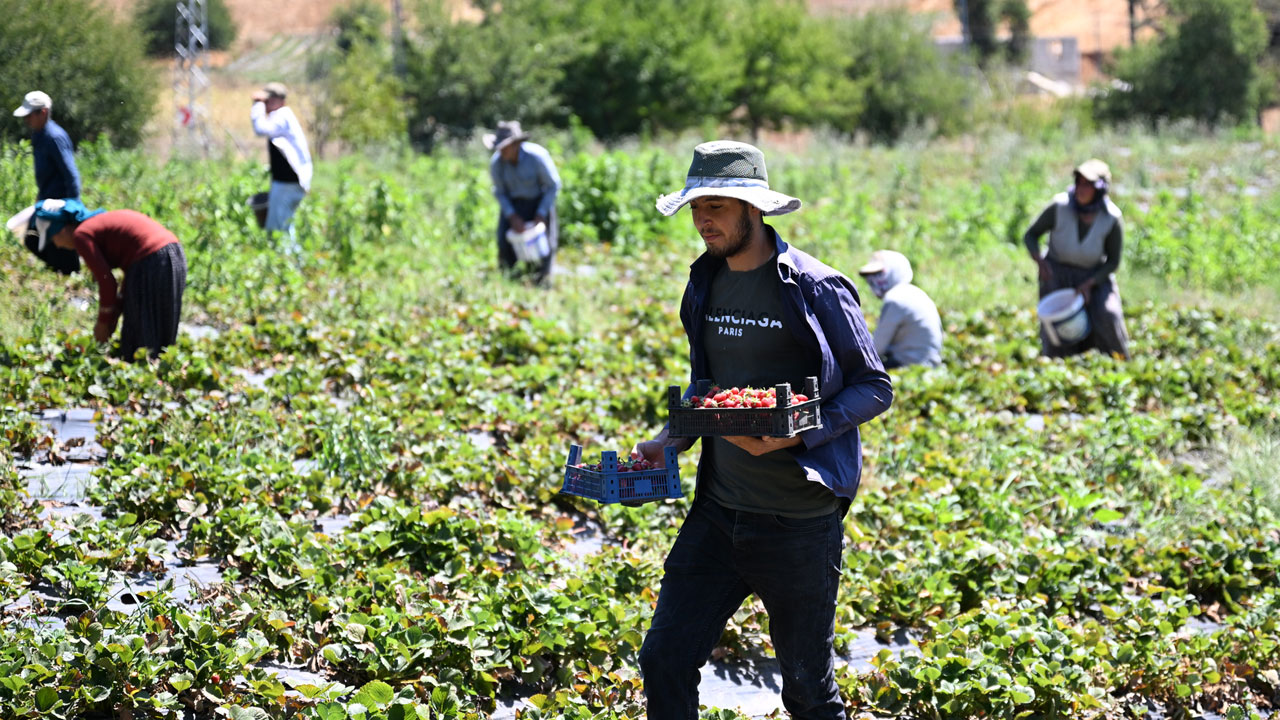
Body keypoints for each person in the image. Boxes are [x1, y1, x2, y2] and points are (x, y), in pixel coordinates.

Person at [632, 141, 893, 719]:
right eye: (697, 208)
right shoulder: (703, 284)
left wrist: (796, 434)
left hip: (798, 522)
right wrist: (668, 442)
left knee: (806, 689)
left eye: (717, 207)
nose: (703, 221)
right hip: (719, 512)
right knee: (664, 657)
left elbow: (874, 386)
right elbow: (709, 389)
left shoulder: (816, 287)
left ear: (755, 208)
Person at [33, 199, 187, 360]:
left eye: (53, 239)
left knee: (138, 344)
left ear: (62, 230)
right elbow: (126, 277)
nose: (57, 246)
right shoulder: (99, 224)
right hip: (173, 255)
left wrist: (103, 323)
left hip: (151, 261)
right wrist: (114, 314)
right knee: (162, 332)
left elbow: (107, 282)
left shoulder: (82, 235)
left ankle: (140, 374)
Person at [1023, 159, 1130, 359]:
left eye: (1088, 185)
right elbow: (1031, 235)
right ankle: (1058, 365)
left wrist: (1090, 284)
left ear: (1099, 189)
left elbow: (1113, 261)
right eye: (1079, 183)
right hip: (1057, 273)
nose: (1081, 189)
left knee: (1108, 315)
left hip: (1093, 275)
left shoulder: (1111, 218)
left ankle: (1119, 364)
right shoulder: (1059, 207)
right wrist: (1040, 261)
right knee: (1057, 326)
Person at [484, 120, 560, 285]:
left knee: (546, 244)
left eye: (505, 147)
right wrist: (511, 216)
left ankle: (542, 281)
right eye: (499, 148)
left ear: (516, 144)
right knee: (504, 243)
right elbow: (500, 192)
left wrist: (541, 213)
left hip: (539, 202)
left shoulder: (537, 157)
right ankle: (510, 280)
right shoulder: (497, 164)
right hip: (514, 204)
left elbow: (553, 186)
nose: (501, 151)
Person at [14, 90, 82, 275]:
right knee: (33, 239)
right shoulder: (39, 135)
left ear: (43, 113)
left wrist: (72, 209)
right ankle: (62, 276)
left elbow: (71, 174)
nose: (27, 120)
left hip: (60, 204)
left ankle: (72, 280)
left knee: (62, 246)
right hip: (46, 201)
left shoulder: (54, 137)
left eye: (30, 115)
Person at [857, 250, 943, 369]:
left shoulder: (895, 299)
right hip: (928, 363)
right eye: (870, 276)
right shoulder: (915, 293)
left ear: (895, 272)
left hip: (911, 365)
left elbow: (876, 349)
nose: (873, 280)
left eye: (879, 274)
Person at [250, 82, 312, 243]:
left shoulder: (282, 115)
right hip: (288, 182)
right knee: (284, 226)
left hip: (287, 183)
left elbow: (260, 129)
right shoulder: (282, 116)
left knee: (277, 229)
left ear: (281, 101)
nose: (266, 103)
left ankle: (287, 264)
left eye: (269, 100)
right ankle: (295, 263)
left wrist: (257, 105)